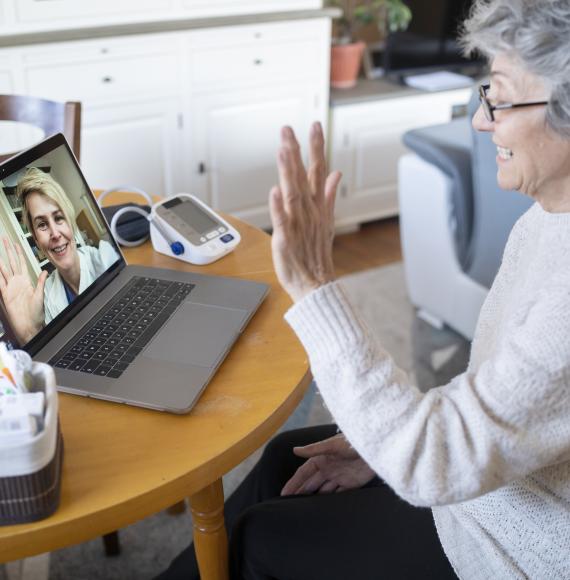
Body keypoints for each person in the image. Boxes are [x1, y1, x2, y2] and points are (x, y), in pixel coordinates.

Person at [160, 0, 570, 577]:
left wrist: (314, 285)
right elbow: (502, 390)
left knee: (260, 540)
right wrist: (382, 441)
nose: (482, 121)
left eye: (499, 98)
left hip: (505, 548)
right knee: (287, 458)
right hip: (485, 485)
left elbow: (436, 465)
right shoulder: (547, 216)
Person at [0, 167, 119, 344]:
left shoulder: (105, 259)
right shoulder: (46, 297)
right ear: (36, 240)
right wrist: (29, 335)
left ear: (70, 221)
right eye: (42, 224)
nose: (55, 233)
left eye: (58, 218)